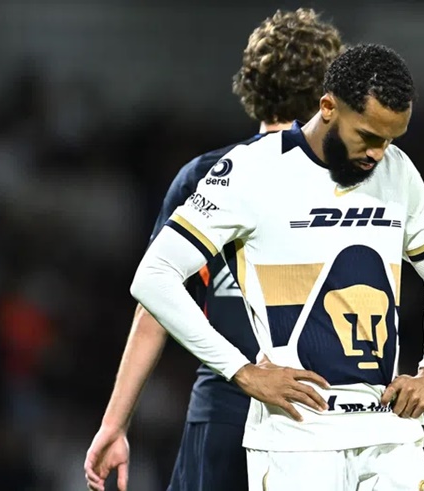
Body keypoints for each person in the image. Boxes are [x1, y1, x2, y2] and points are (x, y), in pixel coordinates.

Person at [130, 43, 424, 490]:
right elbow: (154, 276)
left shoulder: (398, 172)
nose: (378, 153)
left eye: (392, 139)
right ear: (328, 107)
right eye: (368, 136)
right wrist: (241, 371)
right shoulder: (251, 171)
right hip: (296, 441)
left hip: (390, 435)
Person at [84, 9, 344, 491]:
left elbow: (154, 306)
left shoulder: (205, 175)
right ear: (327, 96)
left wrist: (114, 424)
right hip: (318, 420)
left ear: (251, 85)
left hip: (222, 417)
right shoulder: (352, 185)